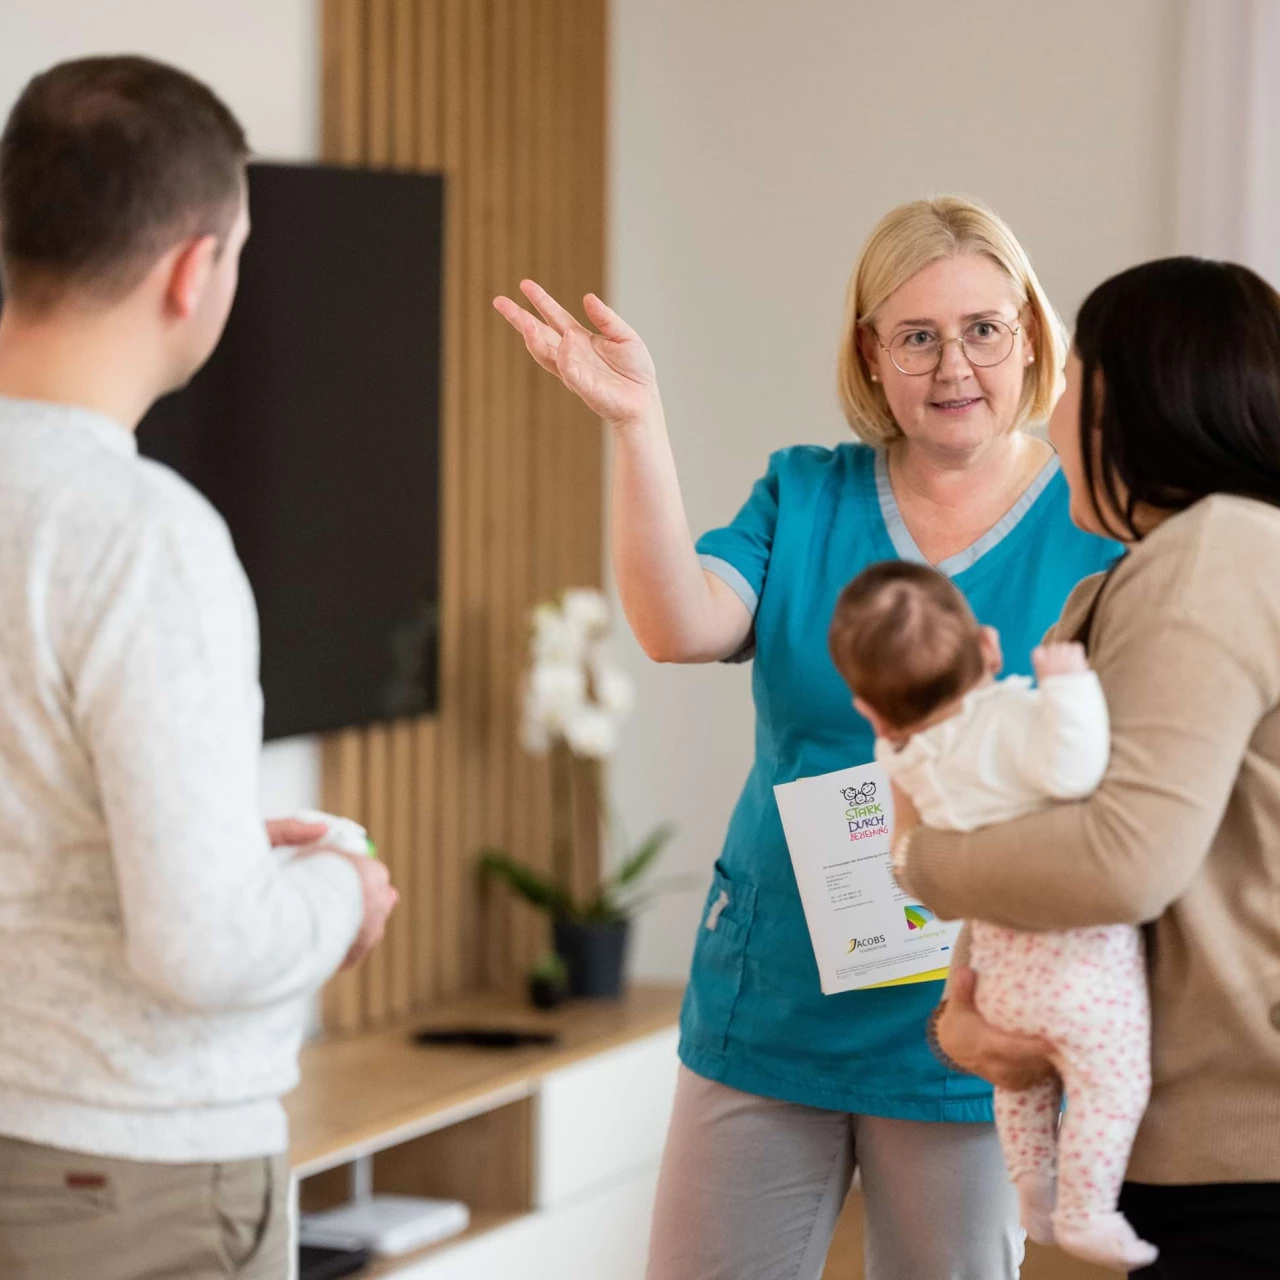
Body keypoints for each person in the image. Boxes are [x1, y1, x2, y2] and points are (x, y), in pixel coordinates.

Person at [497, 195, 1118, 1279]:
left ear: (1028, 333)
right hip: (773, 1007)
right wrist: (638, 426)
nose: (953, 365)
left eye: (982, 328)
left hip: (968, 1020)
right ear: (870, 353)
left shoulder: (1093, 526)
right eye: (915, 336)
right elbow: (677, 624)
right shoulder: (806, 492)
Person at [0, 56, 397, 1280]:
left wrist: (208, 843)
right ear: (193, 269)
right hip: (128, 1171)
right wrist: (342, 890)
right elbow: (201, 948)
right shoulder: (139, 532)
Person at [895, 255, 1280, 1280]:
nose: (1051, 416)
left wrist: (919, 862)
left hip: (1242, 1165)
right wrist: (967, 1016)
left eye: (1068, 381)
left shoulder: (1217, 554)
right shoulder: (1135, 580)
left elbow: (1119, 859)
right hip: (1192, 1150)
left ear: (1134, 403)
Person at [830, 561, 1154, 1271]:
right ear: (990, 647)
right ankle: (1087, 1208)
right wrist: (1068, 685)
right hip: (1076, 962)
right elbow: (1075, 769)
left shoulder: (902, 757)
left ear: (871, 712)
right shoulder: (1013, 718)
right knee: (1112, 1080)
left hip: (995, 968)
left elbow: (911, 856)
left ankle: (1032, 1186)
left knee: (1019, 1082)